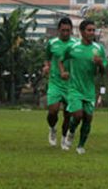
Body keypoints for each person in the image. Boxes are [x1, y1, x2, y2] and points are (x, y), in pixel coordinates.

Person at [60, 20, 107, 154]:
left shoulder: (98, 49)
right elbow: (61, 60)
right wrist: (63, 71)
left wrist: (100, 64)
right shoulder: (73, 47)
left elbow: (104, 72)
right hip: (74, 88)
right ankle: (71, 131)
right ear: (81, 32)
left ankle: (81, 146)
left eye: (93, 30)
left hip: (89, 89)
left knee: (88, 118)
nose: (92, 33)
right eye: (89, 30)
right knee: (78, 115)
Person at [43, 17, 78, 147]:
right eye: (63, 30)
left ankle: (64, 137)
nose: (65, 33)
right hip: (55, 82)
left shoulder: (75, 44)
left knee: (68, 114)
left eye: (68, 30)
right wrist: (46, 66)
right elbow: (47, 58)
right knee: (53, 111)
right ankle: (52, 129)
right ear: (58, 30)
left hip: (71, 84)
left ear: (71, 30)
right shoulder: (52, 43)